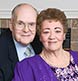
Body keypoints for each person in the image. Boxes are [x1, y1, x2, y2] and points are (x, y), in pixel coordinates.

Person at [12, 8, 78, 81]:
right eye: (46, 32)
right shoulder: (25, 67)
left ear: (64, 35)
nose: (52, 36)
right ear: (40, 36)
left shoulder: (76, 57)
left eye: (57, 31)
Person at [0, 3, 42, 81]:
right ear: (11, 25)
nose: (26, 30)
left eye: (31, 24)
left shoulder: (41, 43)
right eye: (20, 24)